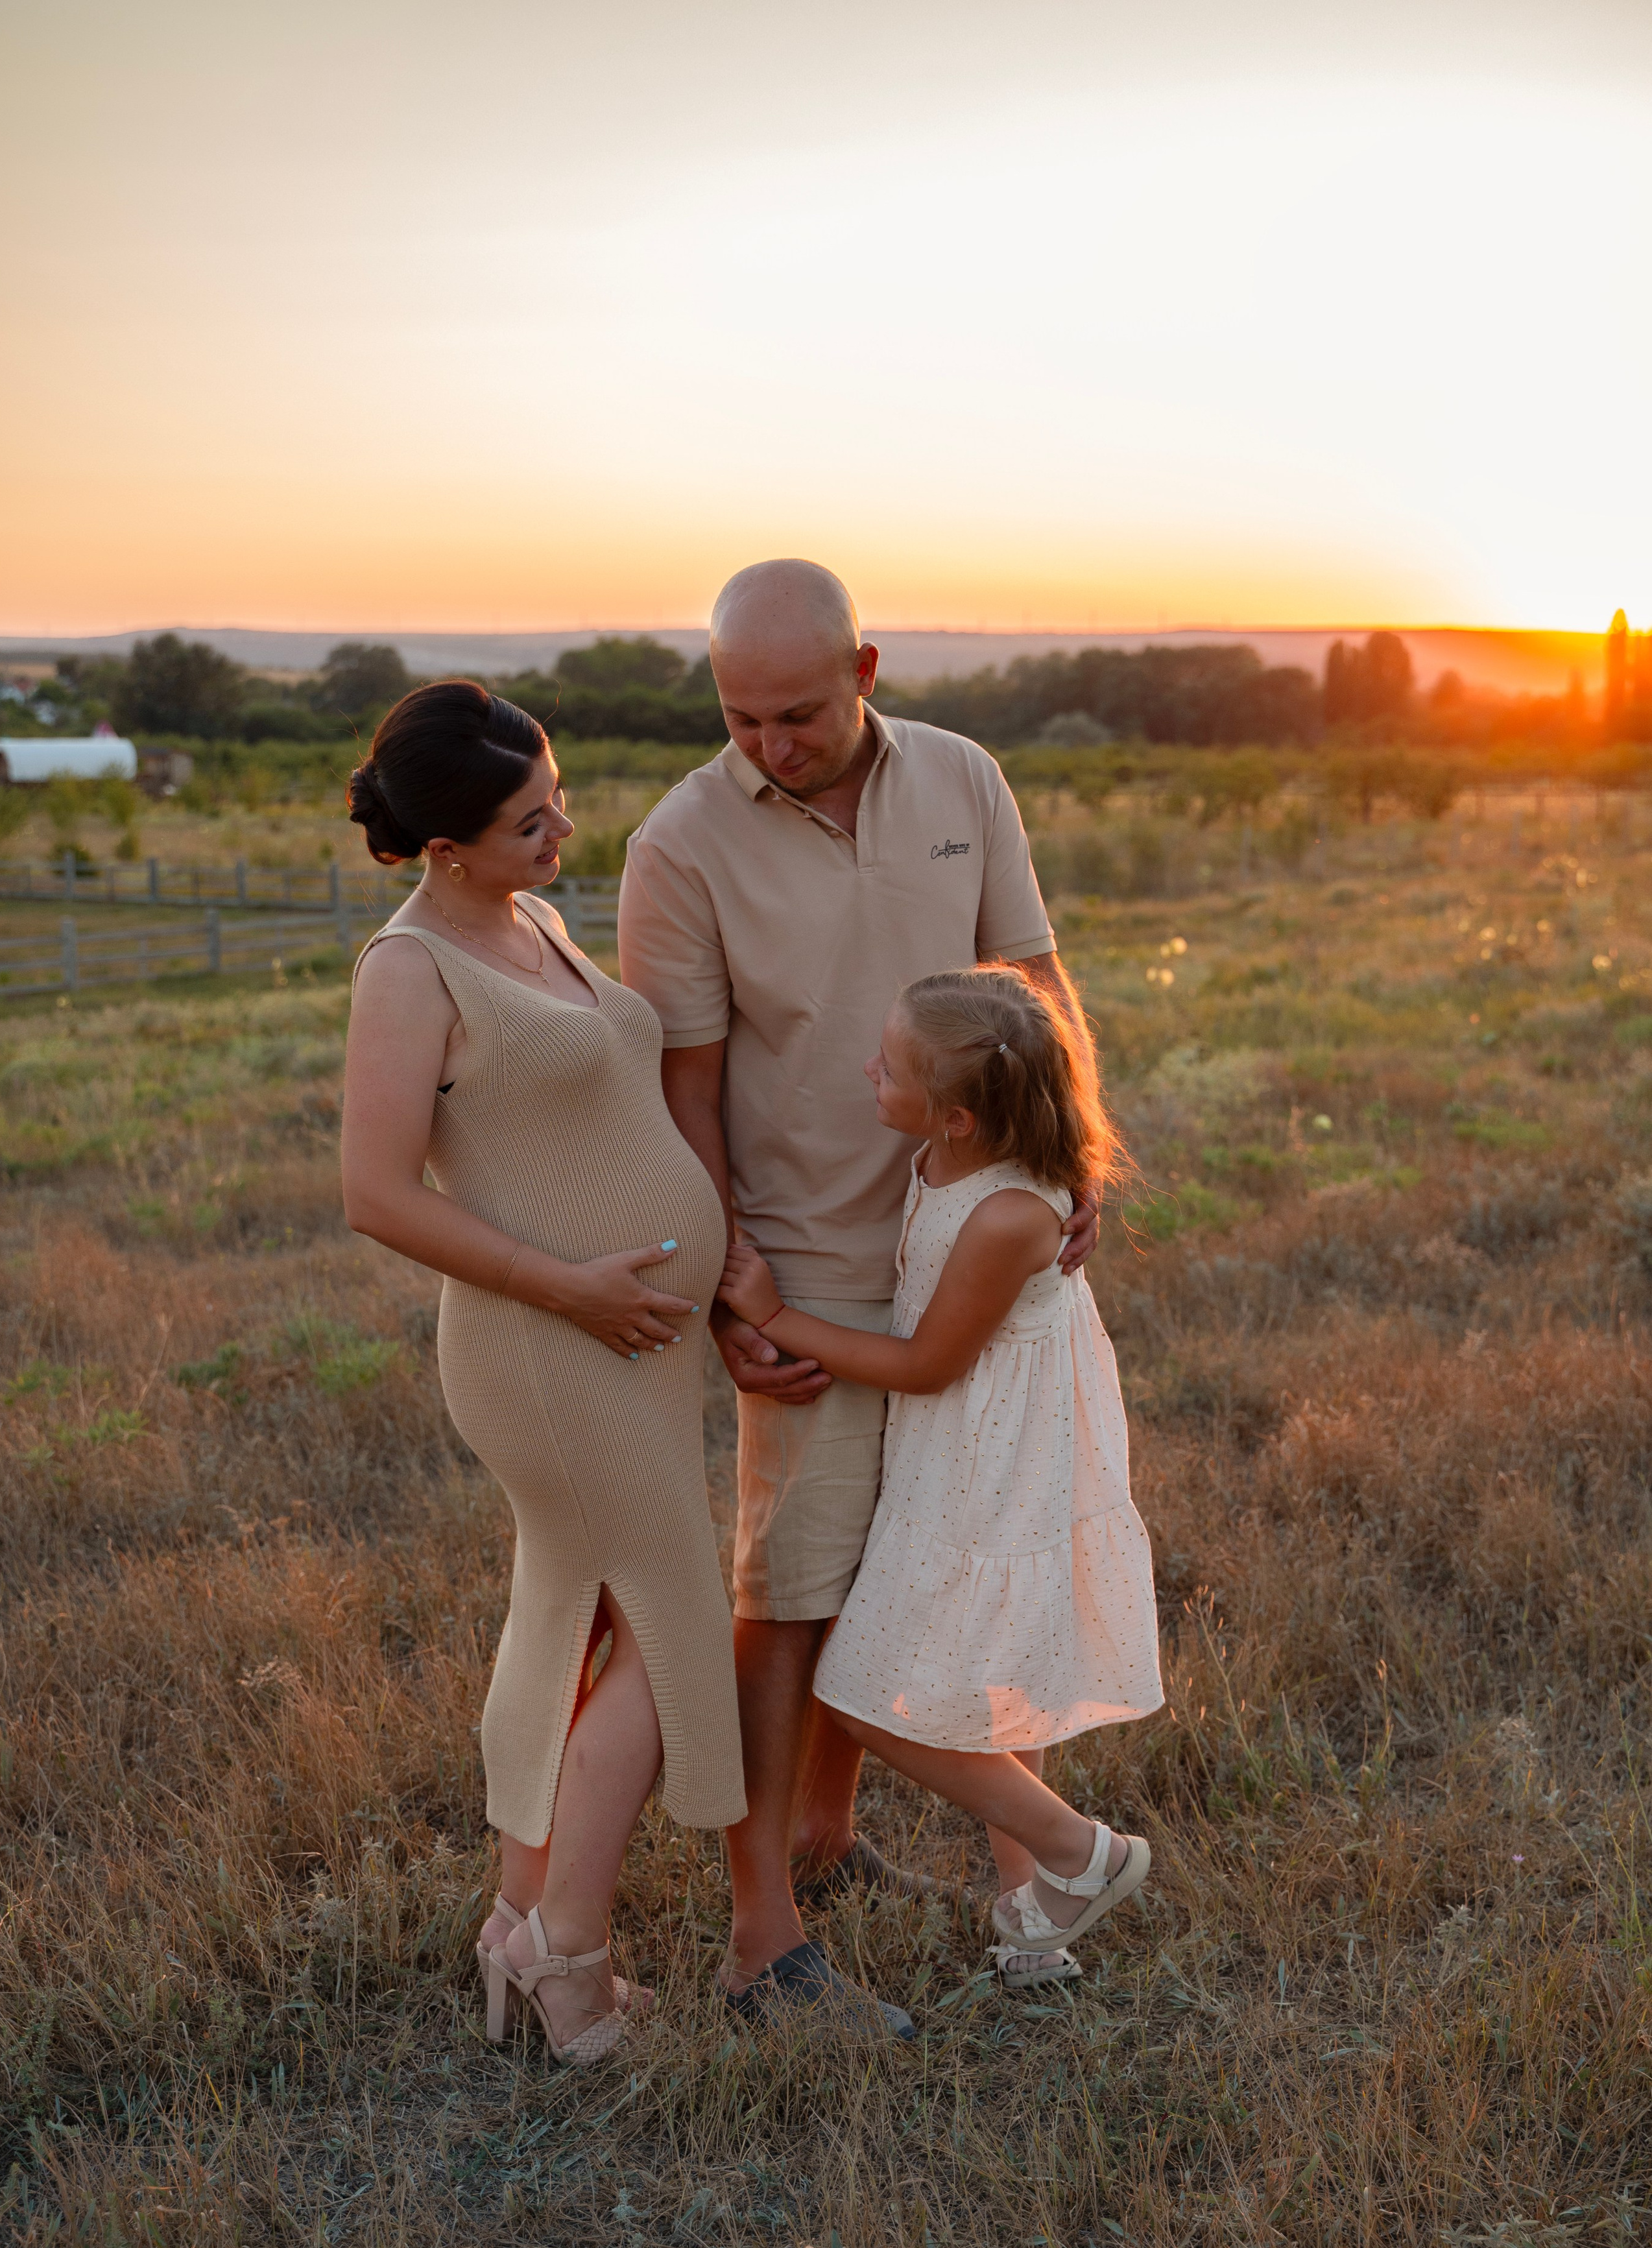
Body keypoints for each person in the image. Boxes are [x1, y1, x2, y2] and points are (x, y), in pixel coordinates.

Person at [618, 558, 1098, 2029]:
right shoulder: (676, 844)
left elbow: (1029, 973)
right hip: (807, 1259)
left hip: (974, 1239)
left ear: (867, 667)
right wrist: (721, 1297)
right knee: (794, 1590)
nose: (770, 744)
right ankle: (761, 1936)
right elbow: (679, 1090)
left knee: (957, 1557)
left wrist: (1074, 1155)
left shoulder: (963, 775)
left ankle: (839, 1839)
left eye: (798, 713)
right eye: (741, 718)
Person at [341, 680, 745, 2068]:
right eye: (529, 819)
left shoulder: (534, 921)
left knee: (570, 1621)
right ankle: (571, 1959)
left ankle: (518, 1930)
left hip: (627, 1342)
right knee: (668, 1619)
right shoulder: (410, 972)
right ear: (444, 847)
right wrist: (569, 1284)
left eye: (557, 793)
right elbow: (377, 1193)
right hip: (545, 1343)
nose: (563, 826)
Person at [718, 963, 1162, 1987]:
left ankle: (1081, 1853)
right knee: (995, 1675)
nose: (869, 1067)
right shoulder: (945, 1156)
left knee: (867, 1699)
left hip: (997, 1455)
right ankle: (1032, 1925)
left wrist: (777, 1318)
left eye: (891, 1067)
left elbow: (929, 1364)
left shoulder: (1013, 1213)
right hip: (955, 1444)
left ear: (958, 1115)